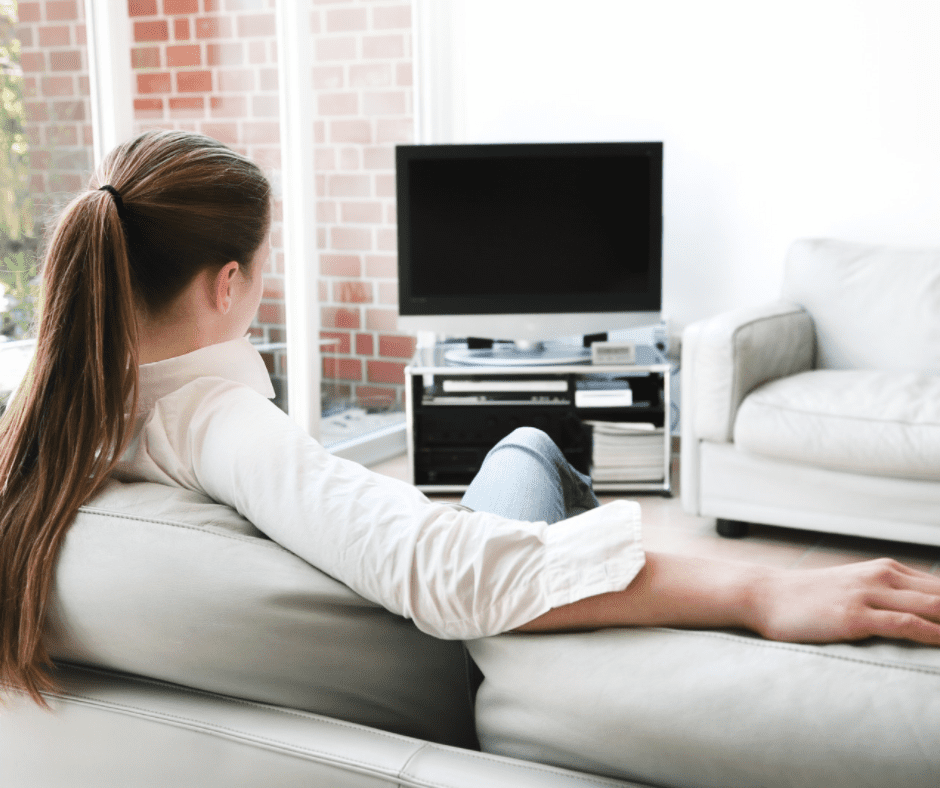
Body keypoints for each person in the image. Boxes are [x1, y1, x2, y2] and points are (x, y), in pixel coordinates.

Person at [2, 131, 939, 708]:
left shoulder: (55, 413)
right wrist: (757, 591)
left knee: (510, 453)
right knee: (528, 443)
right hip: (434, 654)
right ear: (229, 281)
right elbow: (442, 572)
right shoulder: (217, 423)